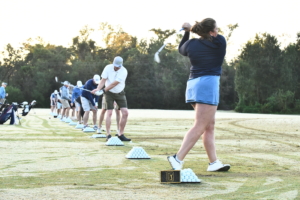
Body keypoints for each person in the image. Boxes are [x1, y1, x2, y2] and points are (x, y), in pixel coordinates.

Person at [167, 18, 230, 172]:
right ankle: (177, 158)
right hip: (208, 84)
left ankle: (213, 162)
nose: (218, 30)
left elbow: (181, 48)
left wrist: (187, 32)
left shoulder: (191, 44)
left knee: (209, 125)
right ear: (211, 31)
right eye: (216, 27)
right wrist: (191, 31)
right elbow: (215, 37)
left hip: (193, 84)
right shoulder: (219, 41)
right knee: (200, 125)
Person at [92, 56, 130, 141]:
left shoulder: (124, 71)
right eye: (115, 65)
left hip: (120, 92)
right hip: (109, 93)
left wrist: (103, 90)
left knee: (125, 113)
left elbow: (114, 83)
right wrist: (98, 89)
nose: (116, 67)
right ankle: (108, 134)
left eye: (118, 66)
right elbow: (103, 80)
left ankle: (121, 134)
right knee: (109, 112)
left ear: (121, 65)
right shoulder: (108, 68)